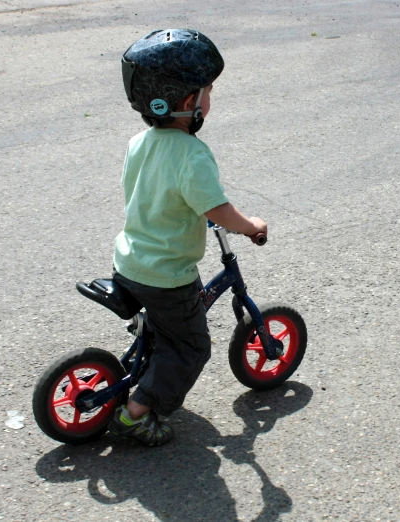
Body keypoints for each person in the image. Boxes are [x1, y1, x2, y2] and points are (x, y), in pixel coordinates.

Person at [106, 29, 267, 446]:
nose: (209, 101)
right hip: (166, 273)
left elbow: (145, 193)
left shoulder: (139, 142)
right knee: (191, 348)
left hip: (129, 261)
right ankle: (135, 415)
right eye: (206, 91)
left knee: (172, 320)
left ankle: (152, 346)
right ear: (185, 102)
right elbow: (218, 210)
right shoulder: (193, 154)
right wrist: (249, 225)